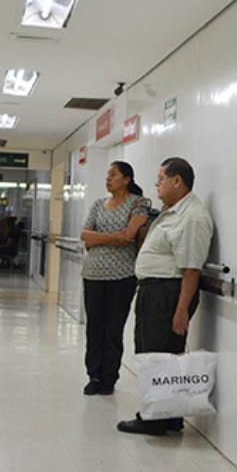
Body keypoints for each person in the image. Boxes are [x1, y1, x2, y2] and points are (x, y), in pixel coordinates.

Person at [117, 157, 213, 436]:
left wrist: (181, 310)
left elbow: (192, 269)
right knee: (160, 355)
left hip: (167, 294)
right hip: (156, 291)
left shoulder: (192, 217)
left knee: (157, 356)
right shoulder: (172, 212)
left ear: (177, 181)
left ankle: (154, 419)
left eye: (161, 179)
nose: (156, 184)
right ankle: (170, 415)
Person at [79, 161, 150, 396]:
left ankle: (109, 377)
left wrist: (99, 238)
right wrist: (114, 238)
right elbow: (84, 235)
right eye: (107, 175)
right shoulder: (98, 204)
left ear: (127, 179)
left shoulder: (138, 204)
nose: (108, 179)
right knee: (94, 326)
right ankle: (94, 375)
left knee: (113, 328)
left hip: (122, 277)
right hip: (93, 275)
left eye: (113, 175)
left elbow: (129, 236)